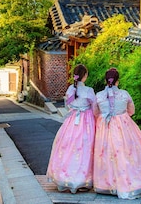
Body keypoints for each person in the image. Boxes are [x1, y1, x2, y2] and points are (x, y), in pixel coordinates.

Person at [92, 67, 141, 199]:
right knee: (126, 153)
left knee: (106, 153)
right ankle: (131, 181)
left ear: (106, 80)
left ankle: (107, 184)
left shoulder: (98, 95)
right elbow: (132, 110)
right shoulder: (124, 94)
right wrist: (121, 116)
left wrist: (105, 116)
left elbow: (95, 113)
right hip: (123, 126)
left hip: (105, 127)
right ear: (117, 81)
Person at [46, 64, 96, 193]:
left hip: (72, 120)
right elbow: (95, 108)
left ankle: (65, 177)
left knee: (68, 147)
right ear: (84, 76)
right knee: (84, 147)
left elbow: (68, 106)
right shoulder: (88, 90)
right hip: (86, 121)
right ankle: (82, 179)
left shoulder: (70, 90)